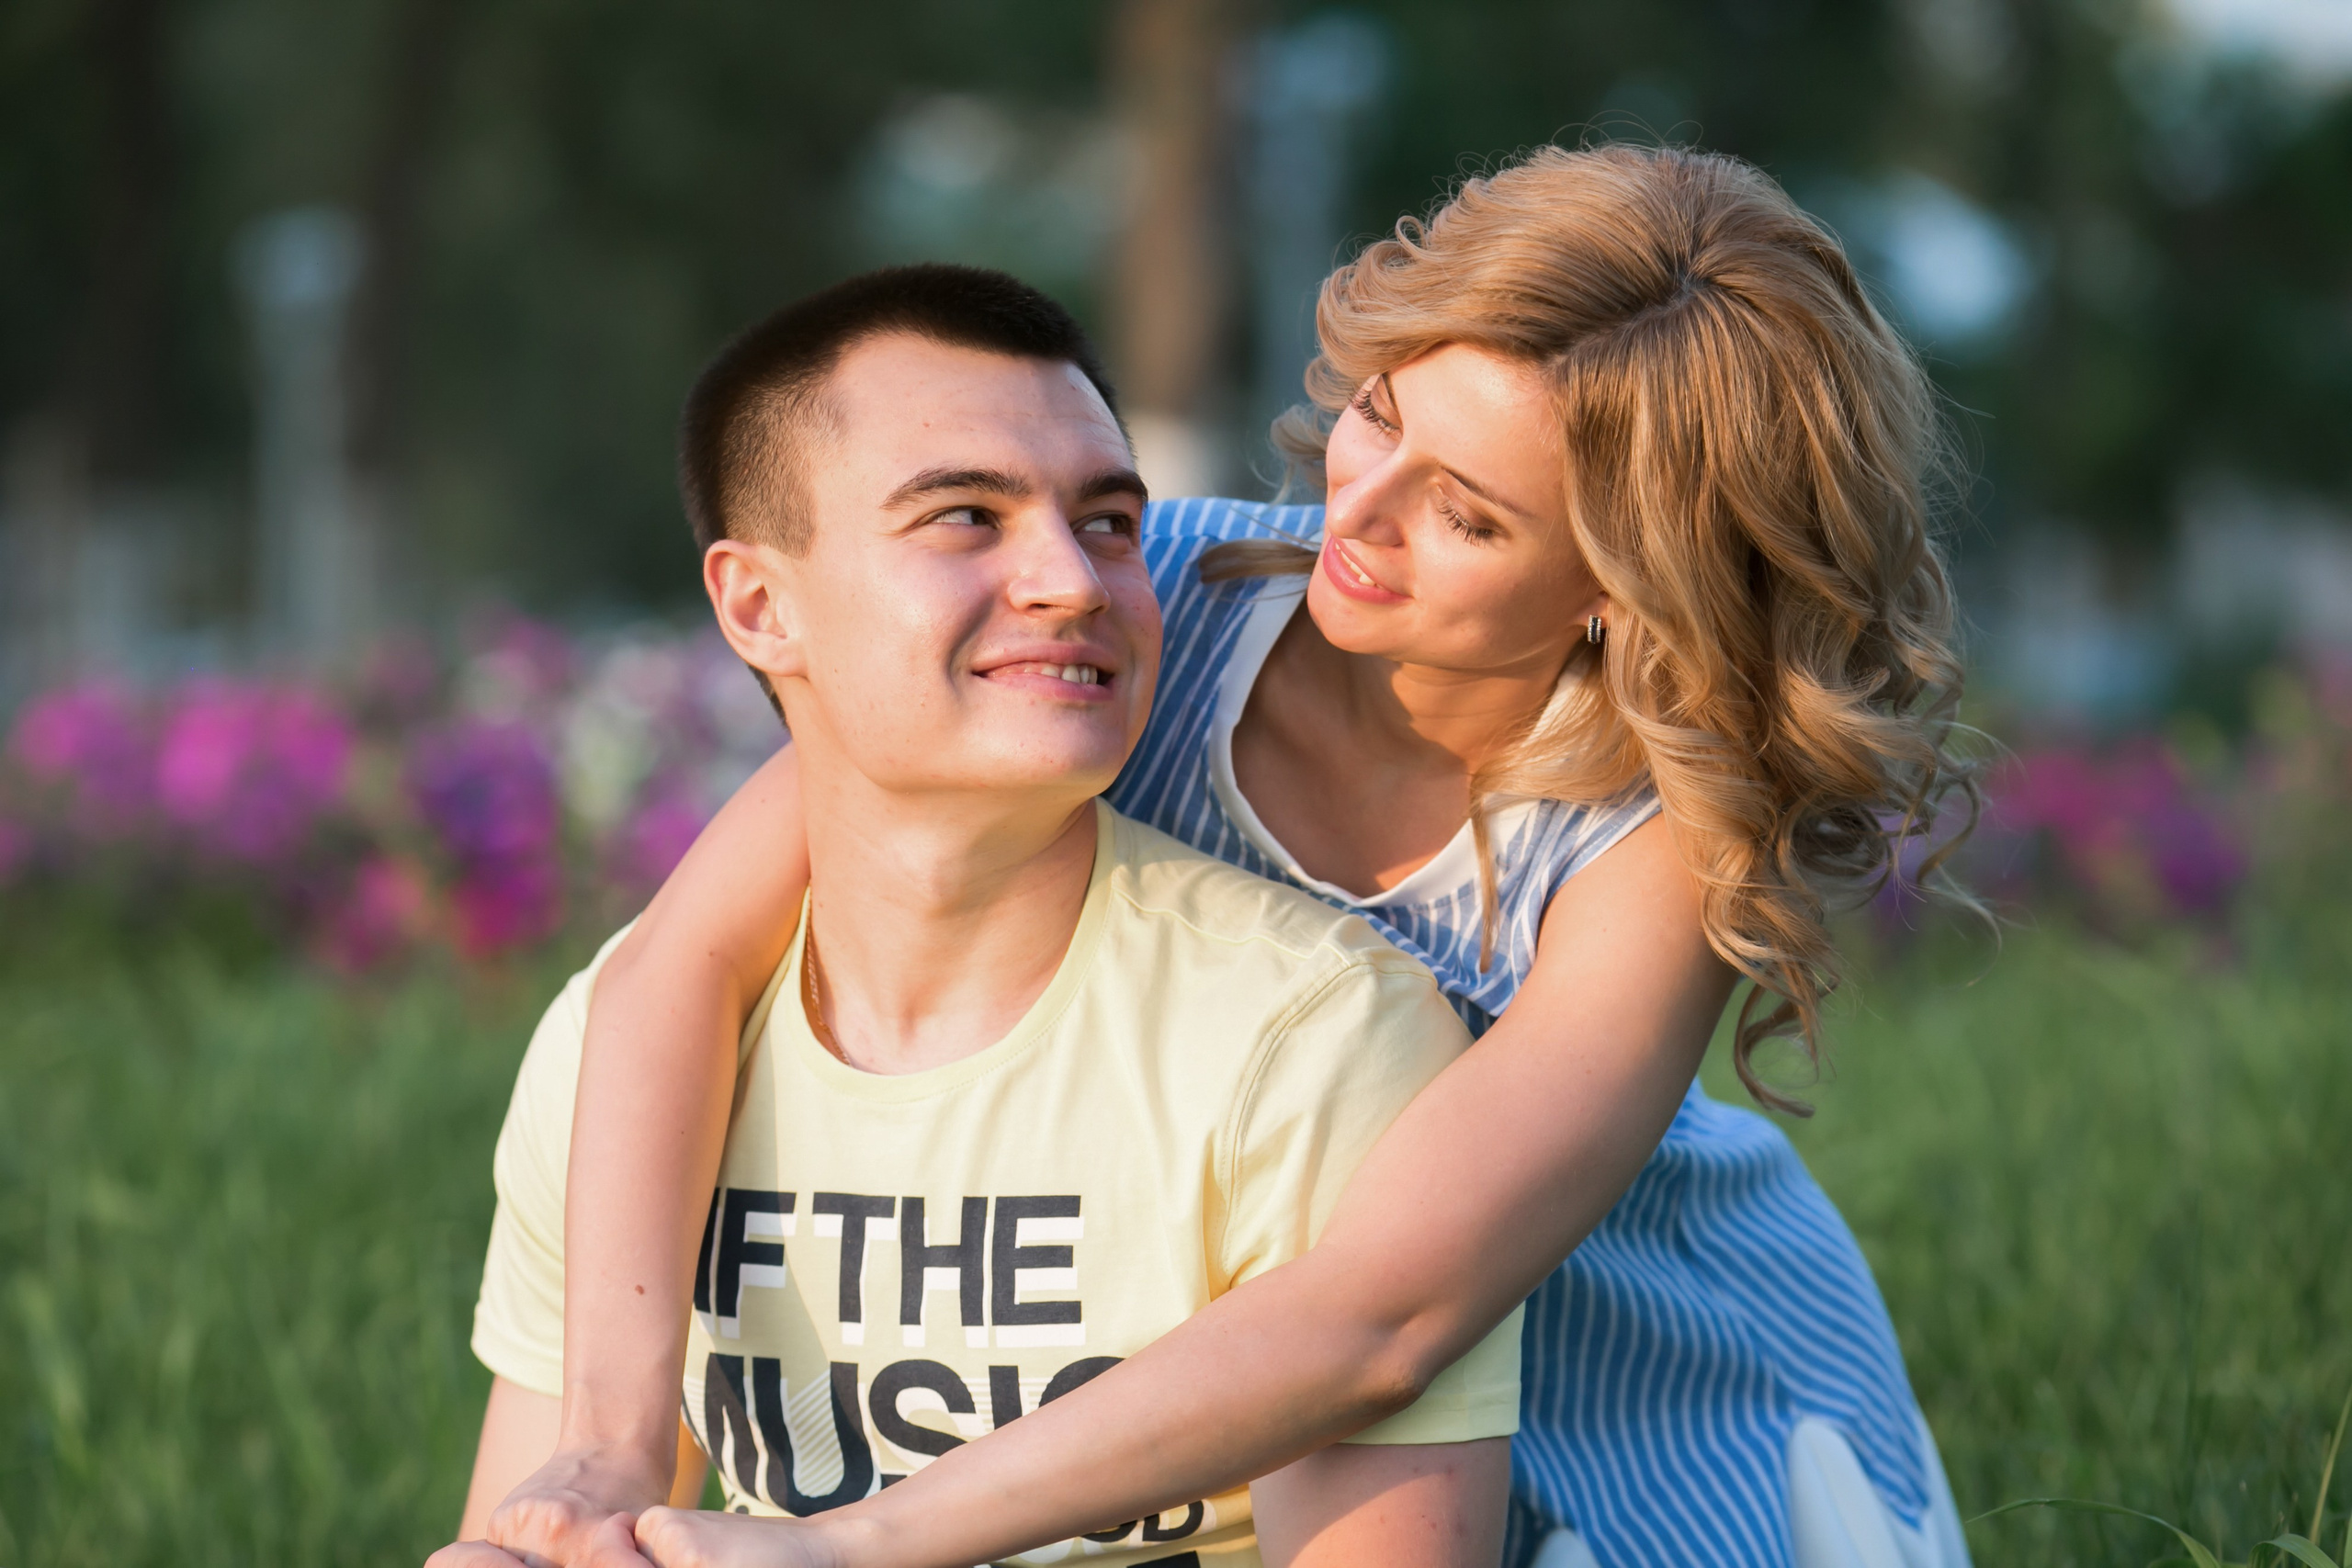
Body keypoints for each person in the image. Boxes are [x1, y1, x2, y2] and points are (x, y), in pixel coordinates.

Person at [486, 144, 1981, 1568]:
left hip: (1633, 1382)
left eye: (1465, 515)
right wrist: (610, 1447)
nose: (1361, 513)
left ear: (1619, 586)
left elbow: (1380, 1319)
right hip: (1226, 1394)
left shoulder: (1658, 842)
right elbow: (681, 958)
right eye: (1385, 416)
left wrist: (854, 1545)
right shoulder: (1124, 611)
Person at [434, 265, 1524, 1568]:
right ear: (758, 607)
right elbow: (571, 1517)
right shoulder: (631, 1049)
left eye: (1111, 522)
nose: (1071, 580)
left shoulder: (1316, 1039)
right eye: (964, 517)